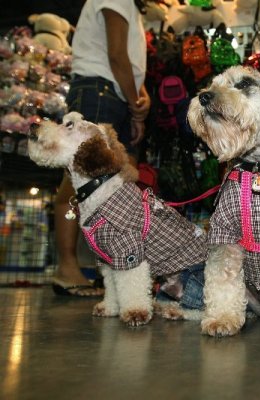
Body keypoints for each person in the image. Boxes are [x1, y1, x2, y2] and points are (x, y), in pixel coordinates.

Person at [51, 0, 151, 296]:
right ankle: (68, 266)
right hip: (99, 90)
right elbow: (117, 56)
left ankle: (102, 265)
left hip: (112, 93)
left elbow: (128, 62)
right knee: (79, 181)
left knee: (112, 188)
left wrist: (139, 97)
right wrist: (136, 106)